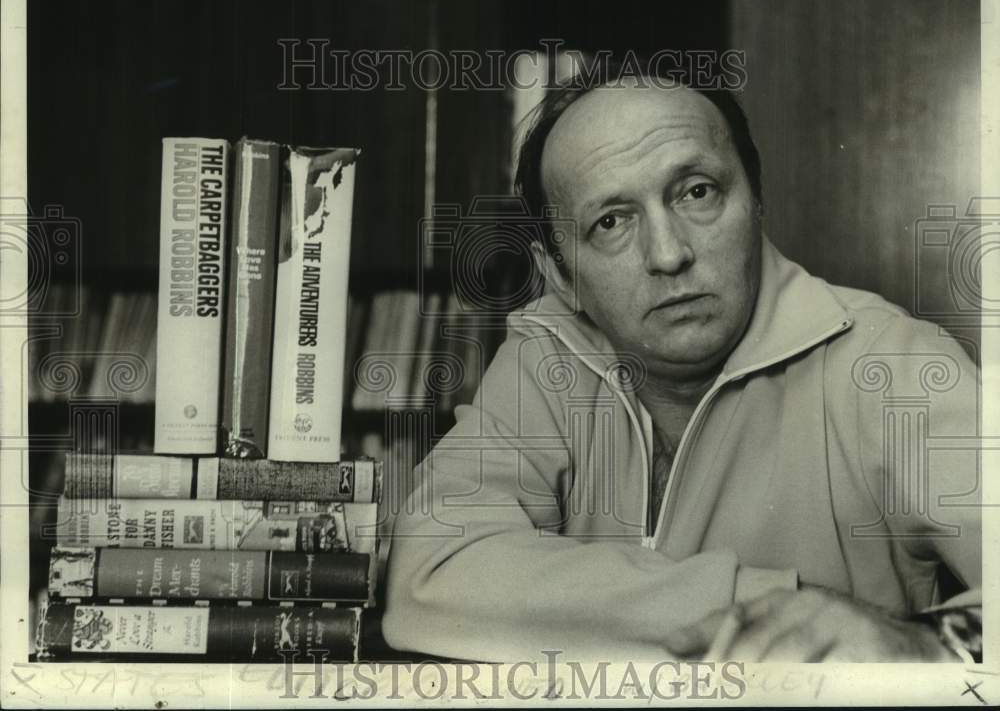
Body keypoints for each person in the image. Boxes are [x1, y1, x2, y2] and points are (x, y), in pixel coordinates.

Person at [381, 73, 982, 663]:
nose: (669, 254)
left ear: (757, 201)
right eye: (610, 221)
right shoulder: (547, 357)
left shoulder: (891, 363)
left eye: (696, 192)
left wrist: (921, 643)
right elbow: (431, 575)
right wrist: (766, 608)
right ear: (560, 276)